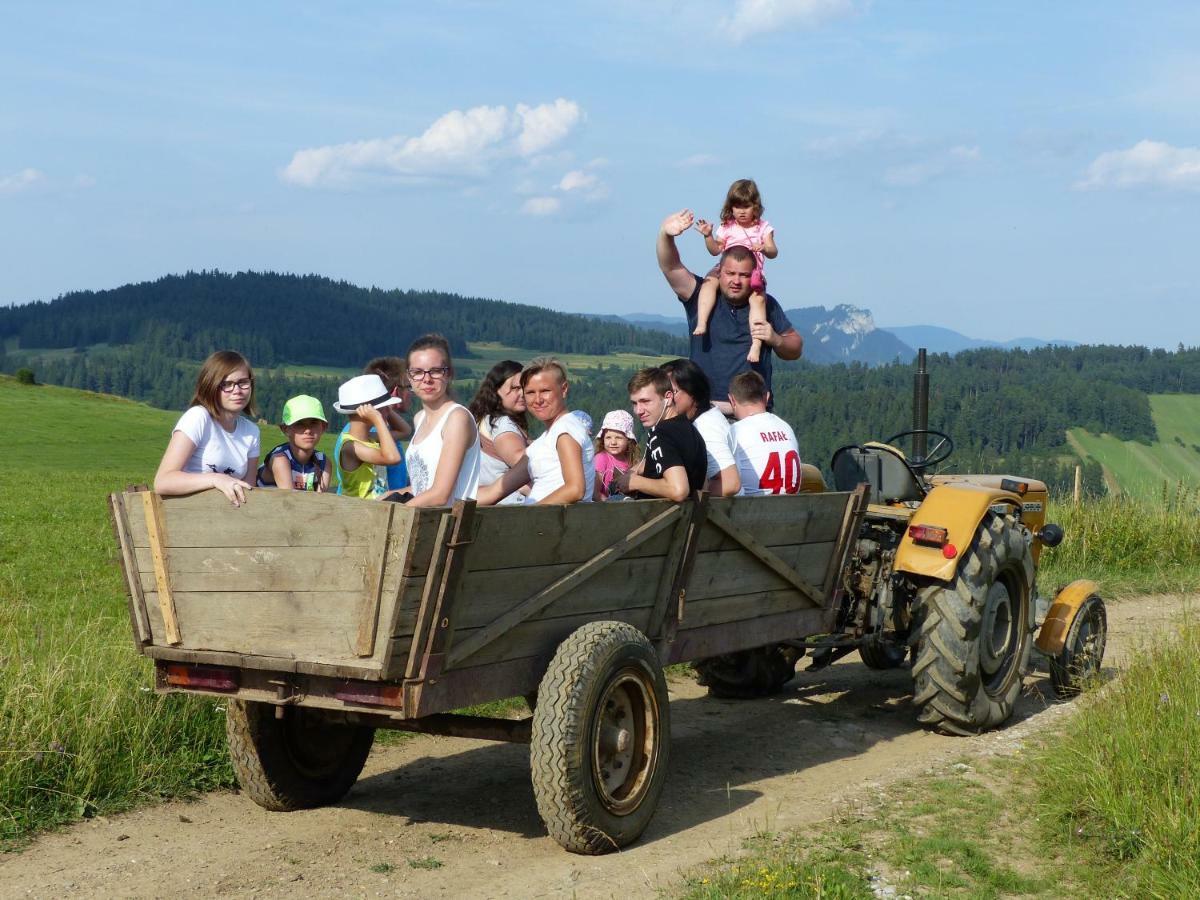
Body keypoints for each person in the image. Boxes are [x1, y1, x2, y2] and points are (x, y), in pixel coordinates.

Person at [656, 208, 803, 414]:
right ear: (719, 272)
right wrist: (665, 235)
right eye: (730, 273)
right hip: (704, 413)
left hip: (753, 415)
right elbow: (670, 267)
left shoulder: (766, 303)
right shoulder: (700, 295)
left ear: (754, 276)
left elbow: (795, 348)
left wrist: (775, 339)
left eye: (743, 275)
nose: (735, 281)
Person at [478, 358, 594, 505]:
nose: (538, 399)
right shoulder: (540, 445)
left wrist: (532, 515)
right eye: (530, 392)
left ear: (564, 389)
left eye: (545, 391)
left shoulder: (565, 431)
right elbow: (495, 491)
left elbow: (575, 489)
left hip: (547, 523)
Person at [155, 350, 261, 507]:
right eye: (227, 384)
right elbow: (163, 481)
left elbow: (249, 488)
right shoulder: (198, 418)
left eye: (243, 382)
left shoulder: (252, 432)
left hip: (229, 519)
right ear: (211, 386)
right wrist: (216, 479)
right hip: (188, 513)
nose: (237, 390)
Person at [694, 179, 778, 364]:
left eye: (746, 206)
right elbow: (715, 250)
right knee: (708, 284)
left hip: (752, 273)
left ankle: (755, 345)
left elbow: (774, 252)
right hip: (726, 269)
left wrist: (763, 247)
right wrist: (708, 236)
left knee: (757, 301)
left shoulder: (763, 228)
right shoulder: (727, 227)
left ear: (755, 207)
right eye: (737, 206)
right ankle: (702, 321)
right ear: (730, 207)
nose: (741, 211)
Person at [394, 333, 481, 506]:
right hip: (422, 520)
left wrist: (396, 514)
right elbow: (421, 487)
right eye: (417, 372)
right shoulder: (420, 419)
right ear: (409, 378)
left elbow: (440, 494)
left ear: (449, 374)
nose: (427, 379)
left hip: (446, 525)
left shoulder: (457, 418)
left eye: (435, 371)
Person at [611, 367, 707, 502]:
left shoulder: (661, 433)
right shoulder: (690, 429)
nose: (638, 410)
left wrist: (634, 482)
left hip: (656, 520)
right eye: (634, 403)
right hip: (685, 518)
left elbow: (678, 490)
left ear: (668, 397)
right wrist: (635, 471)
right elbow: (668, 457)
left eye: (645, 401)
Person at [660, 358, 741, 497]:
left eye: (672, 392)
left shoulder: (706, 426)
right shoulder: (703, 418)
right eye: (661, 393)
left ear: (692, 391)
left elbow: (730, 483)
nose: (666, 399)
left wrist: (689, 494)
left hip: (723, 513)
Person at [728, 371, 803, 496]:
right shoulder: (786, 427)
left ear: (732, 400)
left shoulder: (735, 432)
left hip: (750, 512)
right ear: (767, 397)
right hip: (793, 511)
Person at [332, 373, 404, 499]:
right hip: (358, 514)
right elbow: (393, 458)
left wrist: (385, 411)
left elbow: (404, 431)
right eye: (384, 408)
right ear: (365, 413)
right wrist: (378, 419)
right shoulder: (351, 447)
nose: (389, 410)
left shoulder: (369, 437)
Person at [468, 360, 530, 505]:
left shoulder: (482, 419)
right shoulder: (502, 424)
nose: (522, 393)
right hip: (510, 505)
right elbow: (524, 462)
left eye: (524, 387)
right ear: (496, 390)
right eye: (515, 388)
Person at [257, 394, 331, 492]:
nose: (308, 430)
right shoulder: (280, 459)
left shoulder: (323, 462)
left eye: (313, 423)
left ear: (323, 427)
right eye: (299, 424)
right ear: (285, 429)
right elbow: (290, 500)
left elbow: (321, 500)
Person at [364, 356, 413, 492]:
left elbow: (406, 431)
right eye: (408, 387)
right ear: (396, 391)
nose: (411, 393)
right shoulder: (371, 430)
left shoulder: (384, 428)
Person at [592, 409, 641, 501]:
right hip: (606, 507)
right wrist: (610, 504)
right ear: (603, 439)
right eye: (608, 437)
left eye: (618, 437)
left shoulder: (632, 461)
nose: (613, 442)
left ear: (628, 440)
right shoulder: (601, 458)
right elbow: (595, 493)